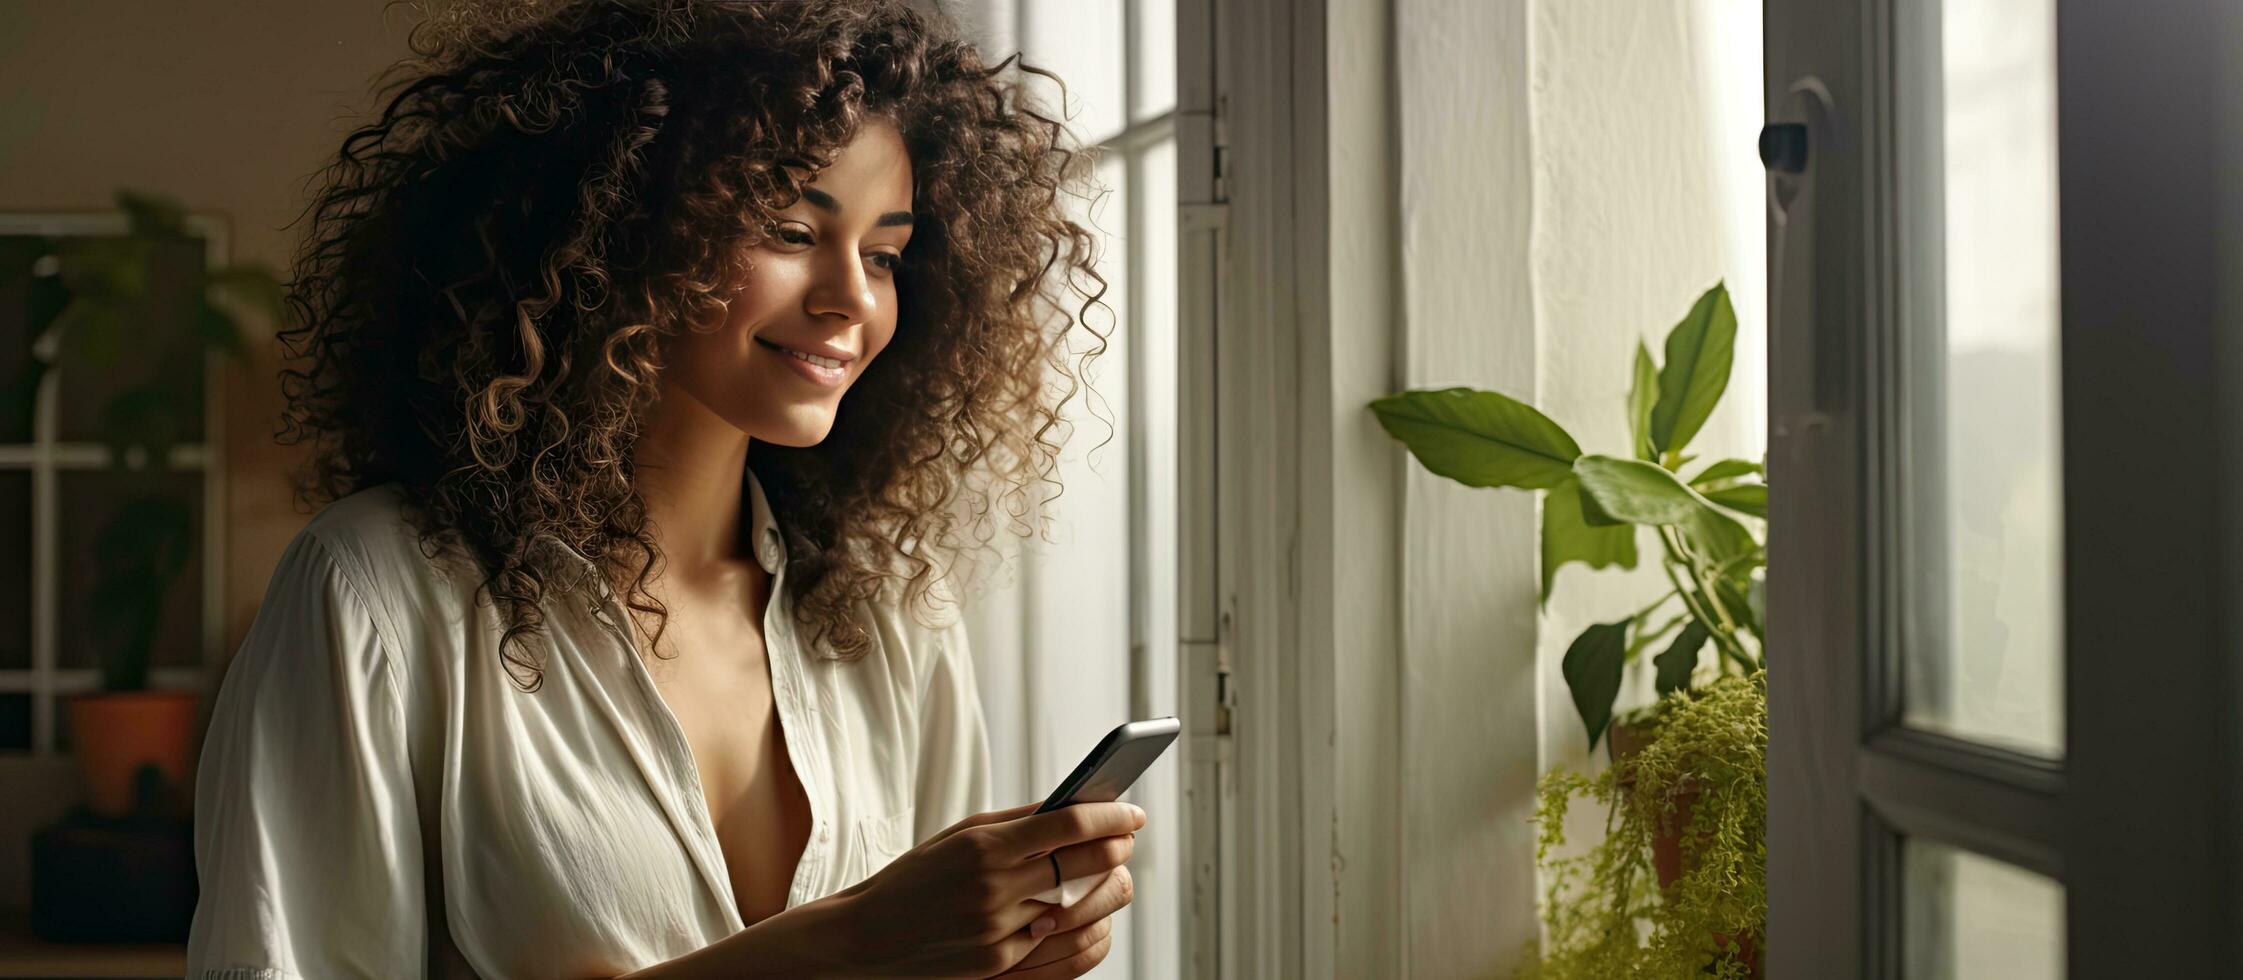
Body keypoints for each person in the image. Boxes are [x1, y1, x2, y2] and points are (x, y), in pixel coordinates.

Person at [185, 1, 1138, 976]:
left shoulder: (888, 607)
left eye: (883, 253)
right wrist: (853, 941)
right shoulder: (379, 593)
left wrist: (999, 953)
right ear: (611, 232)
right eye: (787, 228)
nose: (850, 296)